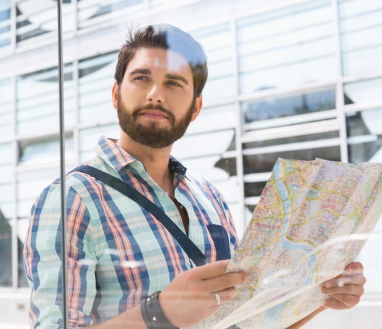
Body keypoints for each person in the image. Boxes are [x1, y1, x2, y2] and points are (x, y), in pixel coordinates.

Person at [24, 24, 366, 329]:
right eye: (141, 78)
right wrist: (160, 314)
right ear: (116, 94)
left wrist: (318, 297)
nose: (155, 93)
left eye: (174, 83)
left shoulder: (209, 198)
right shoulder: (72, 198)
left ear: (195, 108)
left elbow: (241, 321)